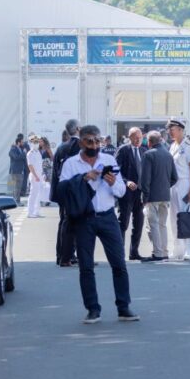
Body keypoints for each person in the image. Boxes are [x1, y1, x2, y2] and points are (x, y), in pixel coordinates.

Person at [57, 124, 139, 324]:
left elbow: (121, 191)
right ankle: (93, 309)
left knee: (119, 263)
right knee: (86, 267)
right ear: (81, 142)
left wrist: (113, 182)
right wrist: (84, 177)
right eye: (89, 141)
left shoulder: (109, 160)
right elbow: (62, 190)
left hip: (108, 216)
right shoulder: (71, 163)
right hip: (84, 218)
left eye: (97, 141)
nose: (94, 145)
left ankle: (123, 307)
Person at [140, 130, 178, 262]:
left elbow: (145, 179)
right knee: (162, 224)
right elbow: (175, 178)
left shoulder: (148, 155)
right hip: (165, 195)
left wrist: (144, 196)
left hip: (152, 196)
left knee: (153, 225)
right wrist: (165, 187)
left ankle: (157, 253)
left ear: (149, 142)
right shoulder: (168, 155)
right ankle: (164, 251)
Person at [51, 120, 81, 267]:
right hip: (74, 191)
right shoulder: (78, 146)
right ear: (77, 129)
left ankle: (62, 254)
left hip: (61, 190)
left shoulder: (61, 147)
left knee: (64, 221)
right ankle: (68, 254)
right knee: (73, 223)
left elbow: (56, 170)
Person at [168, 119, 190, 261]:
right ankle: (178, 251)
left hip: (185, 184)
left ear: (180, 129)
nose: (170, 131)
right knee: (174, 219)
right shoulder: (173, 146)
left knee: (187, 218)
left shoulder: (189, 146)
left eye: (172, 129)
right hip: (173, 186)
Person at [116, 127, 146, 261]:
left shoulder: (144, 150)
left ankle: (134, 252)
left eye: (140, 137)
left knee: (138, 223)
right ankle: (119, 253)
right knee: (123, 223)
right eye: (135, 137)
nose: (138, 140)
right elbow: (116, 170)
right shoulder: (123, 150)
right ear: (129, 137)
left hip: (140, 193)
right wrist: (126, 182)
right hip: (127, 193)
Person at [26, 135, 44, 218]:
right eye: (34, 142)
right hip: (34, 176)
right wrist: (36, 176)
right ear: (31, 143)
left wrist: (42, 175)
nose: (36, 144)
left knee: (39, 193)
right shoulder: (30, 153)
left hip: (39, 175)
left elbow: (40, 165)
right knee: (33, 194)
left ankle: (36, 211)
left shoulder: (38, 152)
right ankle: (30, 212)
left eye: (37, 142)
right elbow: (30, 166)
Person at [8, 137, 25, 204]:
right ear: (18, 142)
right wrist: (23, 153)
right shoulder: (13, 149)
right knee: (16, 187)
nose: (23, 143)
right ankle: (16, 201)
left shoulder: (20, 149)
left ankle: (17, 200)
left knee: (19, 187)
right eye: (22, 142)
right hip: (15, 171)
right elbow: (16, 157)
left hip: (20, 171)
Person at [40, 137, 54, 206]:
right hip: (41, 168)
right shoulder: (39, 149)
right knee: (42, 184)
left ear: (44, 142)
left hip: (47, 168)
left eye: (41, 141)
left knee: (48, 184)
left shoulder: (47, 148)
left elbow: (52, 157)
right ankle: (42, 198)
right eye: (39, 141)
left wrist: (47, 161)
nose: (40, 143)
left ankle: (48, 199)